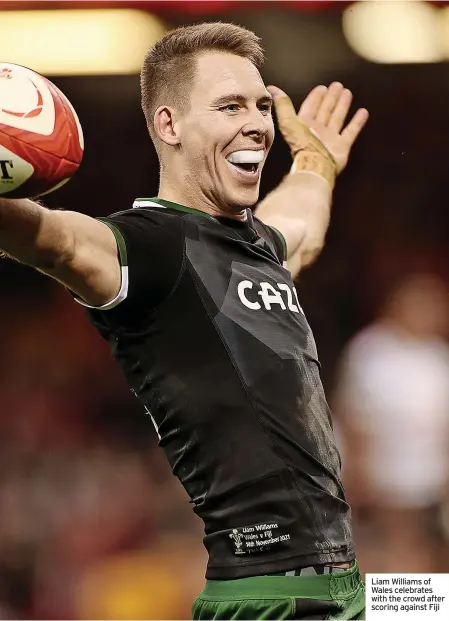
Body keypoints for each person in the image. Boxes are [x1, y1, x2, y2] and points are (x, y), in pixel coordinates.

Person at [0, 22, 368, 620]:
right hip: (265, 597)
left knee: (430, 596)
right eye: (229, 106)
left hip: (349, 590)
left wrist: (313, 161)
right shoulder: (150, 247)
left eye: (259, 105)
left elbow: (302, 226)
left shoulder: (259, 250)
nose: (256, 122)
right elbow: (55, 240)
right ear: (169, 125)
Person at [334, 274, 449, 575]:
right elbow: (354, 414)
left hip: (427, 476)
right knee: (389, 549)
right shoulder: (371, 351)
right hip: (383, 474)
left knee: (422, 549)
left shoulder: (437, 356)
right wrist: (361, 471)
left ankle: (420, 610)